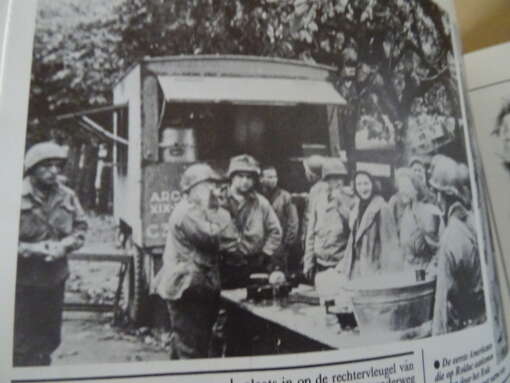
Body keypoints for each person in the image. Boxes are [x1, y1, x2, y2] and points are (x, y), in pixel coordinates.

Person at [14, 141, 88, 366]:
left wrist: (64, 245)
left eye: (58, 166)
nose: (54, 171)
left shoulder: (67, 196)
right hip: (21, 280)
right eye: (47, 166)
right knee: (19, 341)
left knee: (48, 339)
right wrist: (31, 249)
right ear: (32, 168)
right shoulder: (13, 195)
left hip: (54, 278)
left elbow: (81, 228)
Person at [155, 163, 238, 359]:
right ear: (191, 189)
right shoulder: (187, 212)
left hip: (194, 286)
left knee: (187, 343)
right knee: (192, 347)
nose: (212, 190)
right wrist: (222, 214)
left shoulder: (197, 210)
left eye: (213, 185)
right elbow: (214, 239)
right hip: (187, 288)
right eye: (206, 185)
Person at [429, 155, 485, 335]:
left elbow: (443, 307)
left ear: (441, 195)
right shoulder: (474, 220)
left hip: (467, 326)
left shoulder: (450, 236)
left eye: (435, 193)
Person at [221, 154, 282, 288]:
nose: (245, 181)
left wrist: (265, 254)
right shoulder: (218, 201)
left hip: (252, 264)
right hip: (224, 265)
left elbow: (275, 231)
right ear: (231, 177)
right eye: (240, 176)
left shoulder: (261, 203)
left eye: (249, 177)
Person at [336, 170, 401, 279]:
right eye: (359, 184)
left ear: (373, 185)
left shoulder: (382, 208)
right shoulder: (357, 208)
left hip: (374, 271)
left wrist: (387, 277)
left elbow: (390, 247)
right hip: (357, 270)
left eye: (366, 183)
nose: (363, 188)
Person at [303, 158, 352, 282]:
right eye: (334, 178)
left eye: (341, 178)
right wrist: (308, 261)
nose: (338, 182)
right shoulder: (318, 199)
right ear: (326, 180)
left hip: (341, 262)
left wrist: (340, 204)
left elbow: (354, 228)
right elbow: (311, 232)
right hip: (320, 261)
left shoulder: (351, 199)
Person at [390, 168, 443, 271]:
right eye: (400, 187)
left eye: (406, 186)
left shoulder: (428, 212)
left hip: (424, 274)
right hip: (408, 273)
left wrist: (430, 272)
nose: (402, 191)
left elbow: (438, 251)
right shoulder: (406, 211)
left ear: (416, 188)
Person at [260, 165, 299, 274]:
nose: (273, 180)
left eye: (275, 177)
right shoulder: (257, 198)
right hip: (259, 247)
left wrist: (286, 244)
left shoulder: (285, 197)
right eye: (269, 177)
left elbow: (293, 222)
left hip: (279, 247)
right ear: (261, 179)